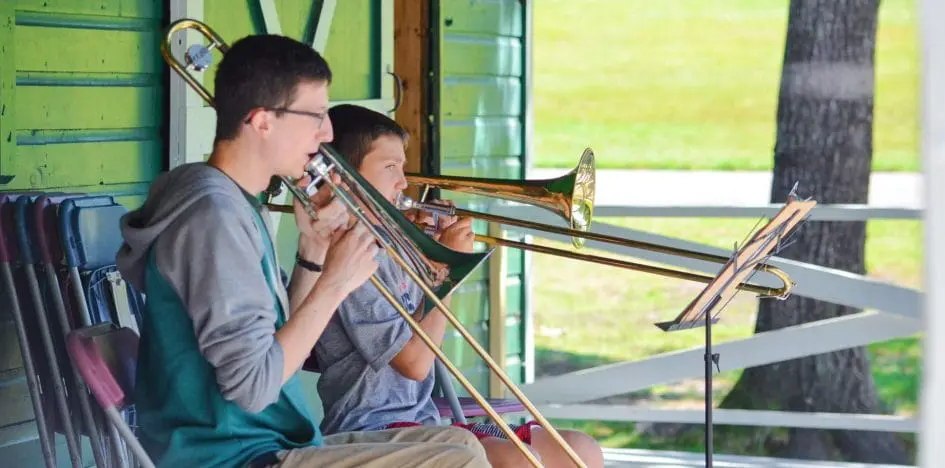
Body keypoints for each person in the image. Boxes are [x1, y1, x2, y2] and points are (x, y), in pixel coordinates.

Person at [115, 34, 491, 468]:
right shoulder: (212, 218)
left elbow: (276, 351)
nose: (327, 133)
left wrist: (313, 254)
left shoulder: (232, 201)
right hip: (227, 454)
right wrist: (335, 283)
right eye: (314, 115)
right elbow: (255, 388)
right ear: (262, 121)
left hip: (261, 440)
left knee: (461, 447)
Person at [310, 104, 605, 468]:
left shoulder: (393, 243)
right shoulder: (352, 256)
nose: (404, 182)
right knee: (522, 462)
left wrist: (424, 249)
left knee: (580, 451)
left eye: (402, 167)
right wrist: (447, 268)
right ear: (348, 177)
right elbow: (415, 363)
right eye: (390, 168)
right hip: (377, 429)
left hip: (428, 421)